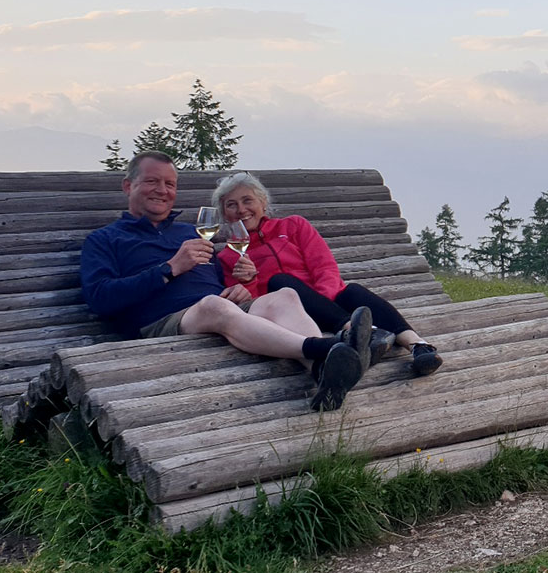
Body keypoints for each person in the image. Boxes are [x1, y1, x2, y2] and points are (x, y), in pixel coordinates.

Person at [80, 152, 373, 411]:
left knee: (284, 295)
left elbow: (214, 277)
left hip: (221, 308)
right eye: (152, 182)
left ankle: (323, 371)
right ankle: (325, 347)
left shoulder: (187, 232)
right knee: (212, 306)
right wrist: (168, 269)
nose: (162, 190)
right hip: (163, 321)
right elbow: (101, 298)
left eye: (170, 184)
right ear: (128, 186)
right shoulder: (105, 240)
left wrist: (238, 286)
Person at [210, 171, 443, 376]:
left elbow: (324, 266)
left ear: (262, 202)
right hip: (291, 315)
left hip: (325, 303)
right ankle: (359, 332)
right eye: (231, 205)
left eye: (247, 200)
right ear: (224, 213)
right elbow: (249, 304)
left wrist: (323, 302)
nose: (241, 210)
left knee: (351, 291)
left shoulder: (293, 226)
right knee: (280, 282)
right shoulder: (229, 257)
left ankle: (418, 346)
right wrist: (250, 280)